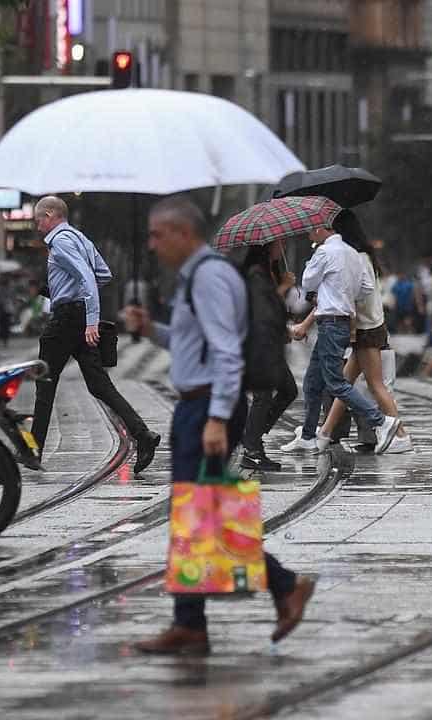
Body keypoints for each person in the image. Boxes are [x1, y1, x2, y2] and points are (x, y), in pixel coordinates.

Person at [126, 196, 314, 655]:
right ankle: (191, 621)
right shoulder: (198, 276)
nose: (152, 244)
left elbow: (227, 351)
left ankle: (282, 586)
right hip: (198, 404)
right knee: (197, 514)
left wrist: (215, 418)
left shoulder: (209, 276)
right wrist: (152, 330)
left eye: (158, 234)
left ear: (183, 234)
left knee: (202, 513)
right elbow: (196, 344)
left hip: (207, 406)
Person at [30, 196, 160, 471]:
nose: (37, 225)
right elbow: (103, 273)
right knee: (99, 384)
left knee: (44, 380)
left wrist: (89, 319)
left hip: (67, 319)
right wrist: (71, 294)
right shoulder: (81, 238)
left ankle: (34, 449)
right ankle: (143, 435)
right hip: (76, 316)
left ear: (51, 214)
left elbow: (89, 278)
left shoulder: (61, 241)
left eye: (38, 219)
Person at [281, 213, 399, 455]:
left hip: (330, 323)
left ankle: (382, 422)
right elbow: (366, 287)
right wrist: (342, 291)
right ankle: (307, 435)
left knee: (336, 382)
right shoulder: (352, 253)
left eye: (312, 229)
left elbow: (308, 282)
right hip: (340, 322)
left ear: (325, 228)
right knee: (313, 383)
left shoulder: (324, 253)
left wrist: (325, 283)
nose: (309, 234)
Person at [313, 211, 413, 454]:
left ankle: (400, 434)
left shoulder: (356, 257)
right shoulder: (361, 255)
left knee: (376, 385)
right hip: (368, 326)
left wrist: (351, 322)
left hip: (366, 328)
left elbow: (360, 293)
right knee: (343, 383)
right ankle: (325, 432)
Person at [238, 240, 300, 471]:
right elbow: (260, 307)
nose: (282, 246)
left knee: (288, 390)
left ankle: (251, 438)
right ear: (265, 246)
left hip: (269, 343)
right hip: (257, 343)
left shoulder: (270, 272)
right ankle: (252, 449)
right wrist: (284, 287)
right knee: (263, 395)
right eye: (278, 243)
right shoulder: (255, 273)